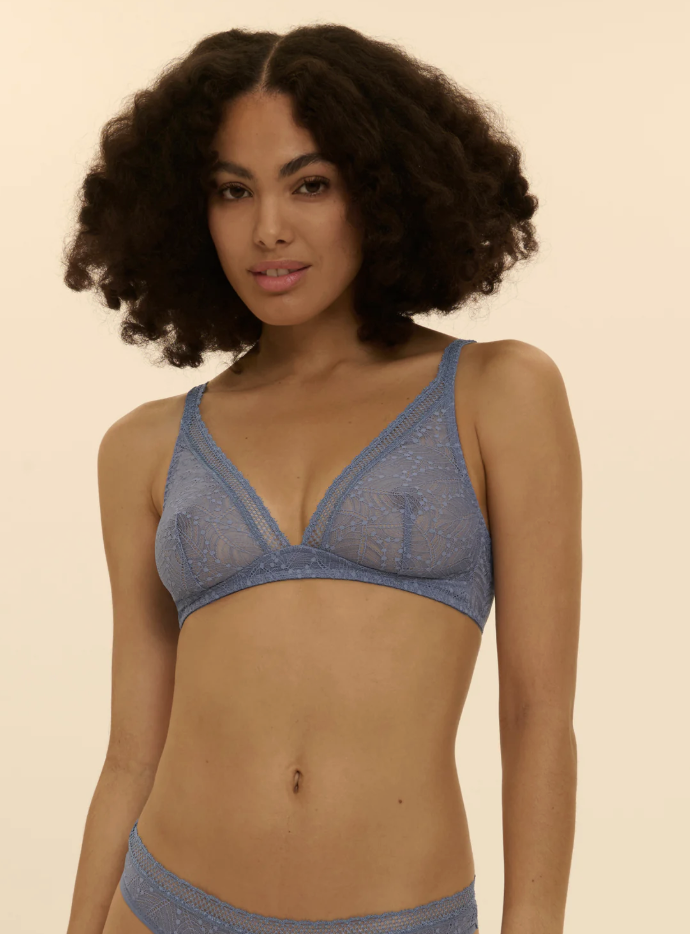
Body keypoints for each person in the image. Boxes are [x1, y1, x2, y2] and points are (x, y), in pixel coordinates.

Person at [62, 24, 581, 934]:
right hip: (164, 906)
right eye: (233, 190)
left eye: (310, 184)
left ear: (379, 190)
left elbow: (537, 715)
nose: (269, 227)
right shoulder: (143, 447)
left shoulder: (497, 394)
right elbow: (131, 756)